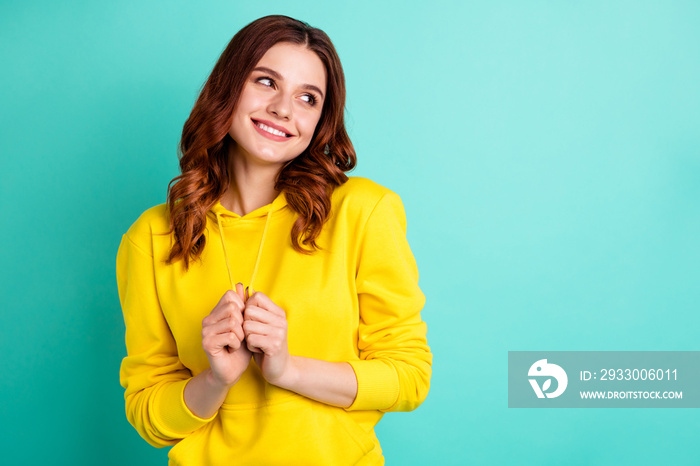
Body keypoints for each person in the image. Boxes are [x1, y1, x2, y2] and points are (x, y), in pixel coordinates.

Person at [117, 15, 431, 465]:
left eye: (308, 98)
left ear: (320, 120)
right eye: (266, 82)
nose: (284, 109)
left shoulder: (362, 211)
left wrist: (288, 369)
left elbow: (409, 377)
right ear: (228, 87)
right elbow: (149, 416)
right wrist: (215, 380)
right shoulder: (151, 237)